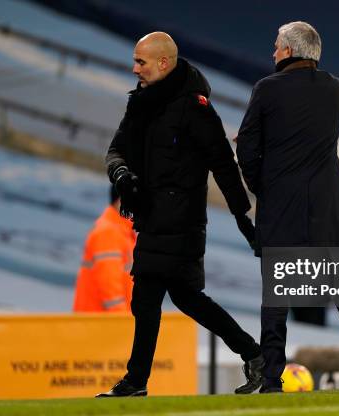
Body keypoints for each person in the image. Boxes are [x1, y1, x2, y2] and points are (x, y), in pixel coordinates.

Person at [97, 32, 264, 397]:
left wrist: (242, 219)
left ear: (164, 63)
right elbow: (115, 151)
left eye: (141, 62)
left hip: (181, 220)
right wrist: (121, 174)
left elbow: (223, 163)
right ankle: (255, 354)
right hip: (152, 216)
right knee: (186, 298)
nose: (134, 68)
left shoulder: (194, 107)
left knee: (147, 296)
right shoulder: (139, 102)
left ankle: (136, 381)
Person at [236, 21, 339, 392]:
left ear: (289, 51)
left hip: (282, 210)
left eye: (276, 47)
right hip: (327, 208)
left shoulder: (266, 89)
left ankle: (272, 379)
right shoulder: (334, 89)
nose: (273, 53)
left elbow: (246, 148)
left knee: (276, 298)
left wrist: (264, 187)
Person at [73, 187, 135, 312]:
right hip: (99, 326)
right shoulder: (109, 233)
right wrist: (124, 323)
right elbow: (110, 289)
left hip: (101, 324)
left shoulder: (121, 232)